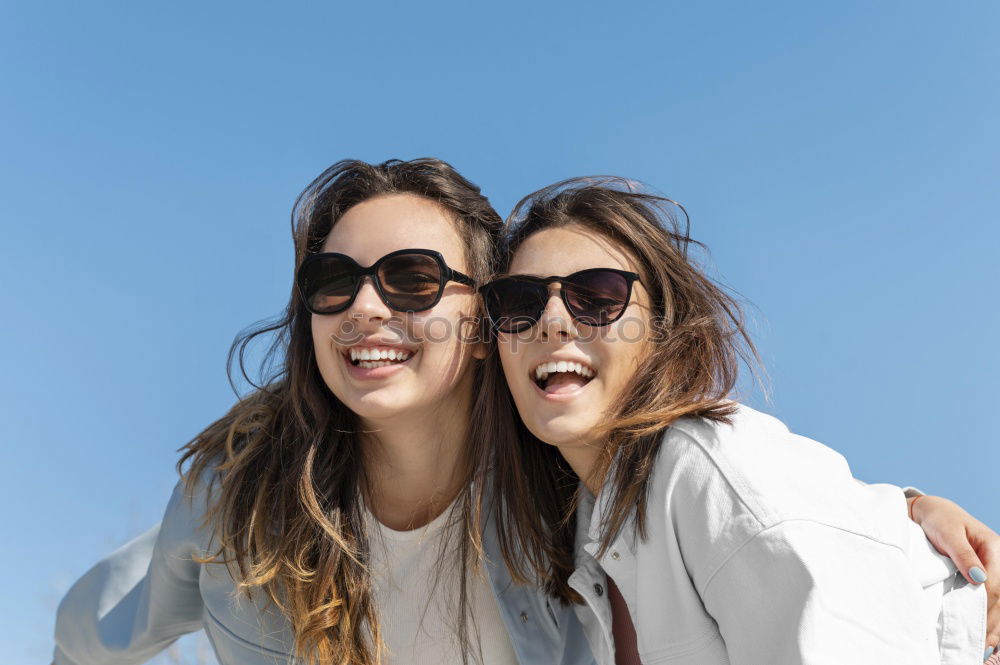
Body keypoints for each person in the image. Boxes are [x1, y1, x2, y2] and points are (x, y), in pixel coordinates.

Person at [53, 161, 994, 665]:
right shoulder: (244, 498)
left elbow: (759, 517)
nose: (368, 307)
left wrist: (905, 515)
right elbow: (86, 633)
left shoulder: (558, 475)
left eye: (412, 277)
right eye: (334, 281)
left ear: (479, 324)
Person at [478, 177, 1000, 664]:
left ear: (664, 330)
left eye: (596, 297)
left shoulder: (707, 466)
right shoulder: (584, 530)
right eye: (519, 302)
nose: (551, 322)